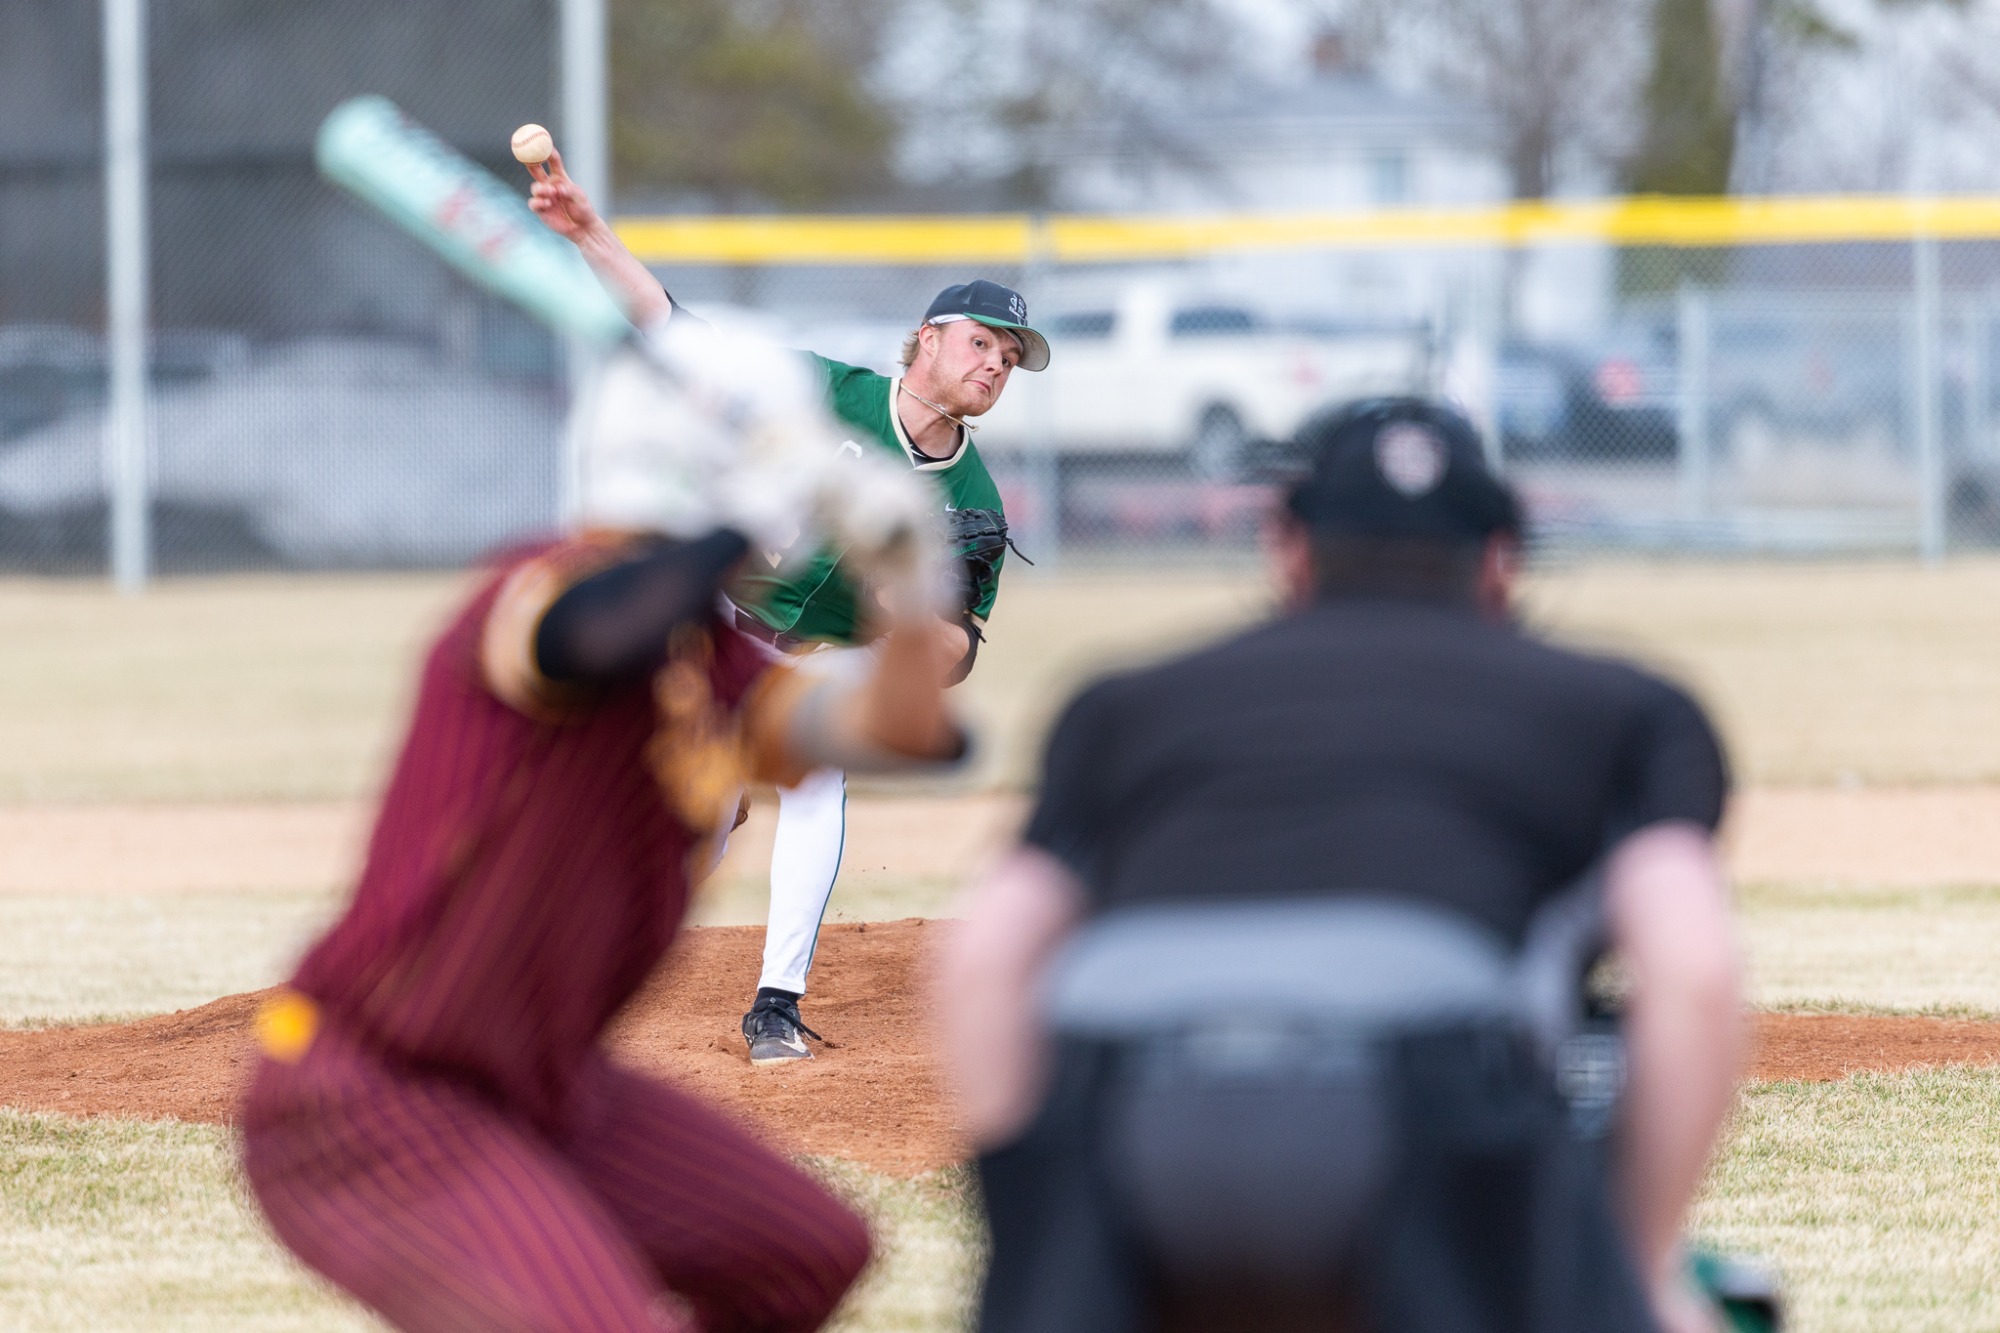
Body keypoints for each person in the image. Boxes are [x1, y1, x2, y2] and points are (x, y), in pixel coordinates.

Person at [935, 397, 1745, 1333]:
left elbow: (984, 963)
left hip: (1121, 1100)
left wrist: (1036, 1228)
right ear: (1499, 560)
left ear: (1289, 548)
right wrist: (1640, 1271)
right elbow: (1692, 966)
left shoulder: (1124, 702)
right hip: (1414, 1090)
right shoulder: (1623, 705)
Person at [240, 332, 969, 1332]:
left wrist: (911, 579)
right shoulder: (535, 587)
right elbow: (590, 639)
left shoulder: (710, 660)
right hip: (369, 1090)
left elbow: (911, 733)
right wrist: (739, 519)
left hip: (545, 1088)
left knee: (806, 1255)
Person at [527, 148, 1046, 1064]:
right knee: (684, 806)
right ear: (927, 337)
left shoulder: (972, 500)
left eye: (1008, 360)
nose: (994, 367)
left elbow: (956, 647)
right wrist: (586, 232)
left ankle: (776, 1003)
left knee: (815, 772)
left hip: (832, 658)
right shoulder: (824, 392)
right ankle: (567, 970)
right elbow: (670, 325)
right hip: (725, 630)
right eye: (981, 343)